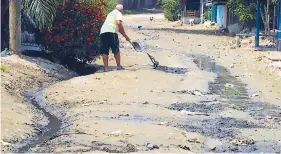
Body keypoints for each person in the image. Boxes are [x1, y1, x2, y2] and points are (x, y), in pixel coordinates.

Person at [99, 4, 131, 72]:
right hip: (111, 33)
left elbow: (117, 28)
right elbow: (118, 23)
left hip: (103, 32)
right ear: (121, 10)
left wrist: (125, 36)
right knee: (116, 49)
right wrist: (126, 35)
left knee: (104, 50)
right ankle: (119, 66)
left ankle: (106, 68)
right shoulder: (118, 13)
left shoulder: (110, 13)